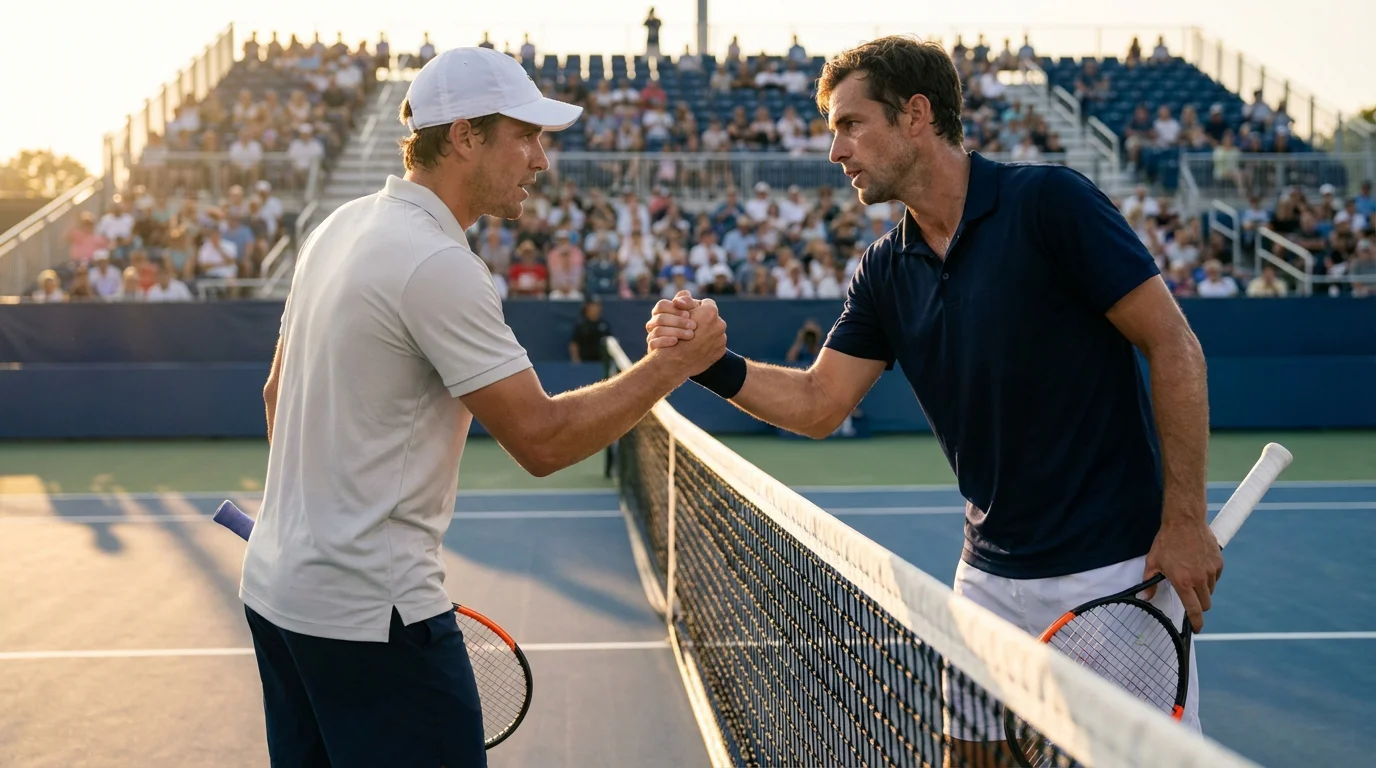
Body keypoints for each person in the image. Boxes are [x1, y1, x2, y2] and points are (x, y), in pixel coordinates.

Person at [645, 34, 1219, 760]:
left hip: (1112, 572)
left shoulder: (1050, 203)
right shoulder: (884, 271)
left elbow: (1174, 344)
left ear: (916, 115)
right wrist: (710, 365)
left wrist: (1186, 519)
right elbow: (820, 402)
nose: (836, 151)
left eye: (851, 125)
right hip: (987, 579)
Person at [240, 46, 726, 768]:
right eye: (525, 136)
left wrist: (320, 527)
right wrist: (672, 365)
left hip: (279, 595)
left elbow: (275, 397)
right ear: (465, 136)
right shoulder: (437, 263)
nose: (541, 160)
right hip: (375, 618)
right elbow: (542, 441)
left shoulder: (334, 228)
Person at [569, 298, 613, 363]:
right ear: (587, 308)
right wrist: (576, 359)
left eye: (597, 306)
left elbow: (611, 342)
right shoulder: (581, 325)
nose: (596, 309)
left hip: (601, 362)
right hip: (585, 362)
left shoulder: (604, 324)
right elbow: (574, 343)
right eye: (593, 306)